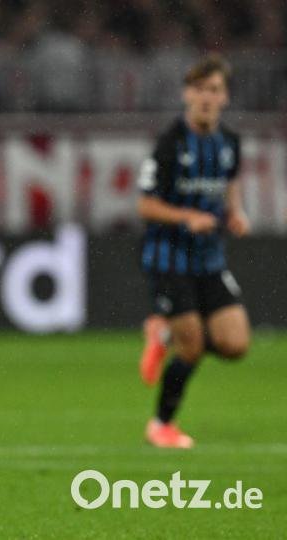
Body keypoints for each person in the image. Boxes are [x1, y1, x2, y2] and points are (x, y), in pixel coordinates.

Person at [136, 53, 251, 449]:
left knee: (236, 345)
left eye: (214, 90)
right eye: (199, 89)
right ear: (187, 95)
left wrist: (235, 213)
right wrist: (187, 216)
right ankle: (161, 425)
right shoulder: (170, 144)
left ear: (225, 97)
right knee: (194, 346)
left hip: (210, 260)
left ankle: (164, 331)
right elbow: (145, 205)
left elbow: (230, 181)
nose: (206, 97)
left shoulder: (230, 143)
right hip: (169, 259)